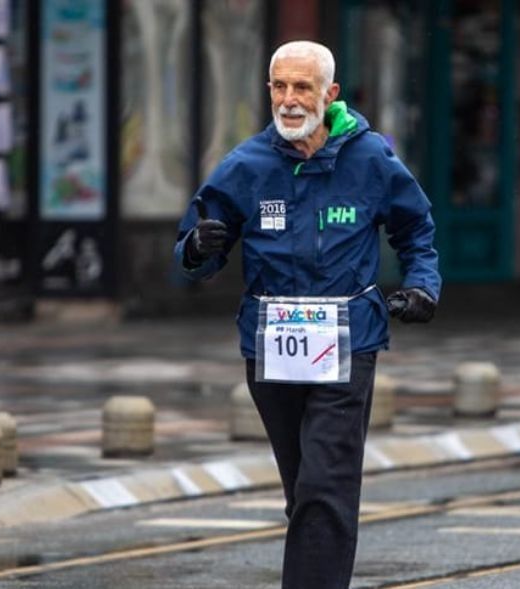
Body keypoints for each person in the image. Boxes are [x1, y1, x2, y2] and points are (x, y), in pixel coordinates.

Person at [173, 40, 441, 589]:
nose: (289, 100)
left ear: (329, 93)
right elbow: (194, 252)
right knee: (307, 489)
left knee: (326, 485)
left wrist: (421, 286)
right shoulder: (245, 165)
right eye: (280, 87)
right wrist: (198, 248)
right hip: (270, 349)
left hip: (348, 343)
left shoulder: (370, 159)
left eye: (302, 87)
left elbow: (416, 229)